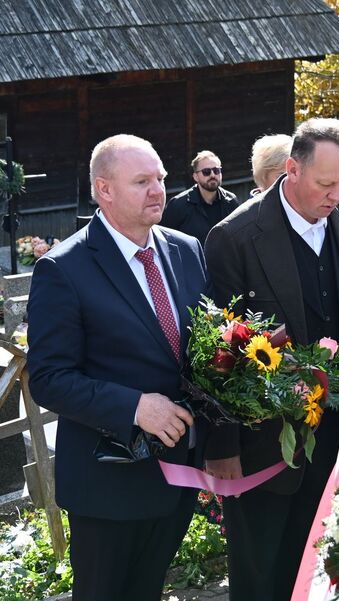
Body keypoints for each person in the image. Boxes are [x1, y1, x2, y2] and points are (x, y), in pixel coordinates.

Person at [203, 119, 339, 600]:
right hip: (266, 442)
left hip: (338, 432)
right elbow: (218, 351)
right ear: (291, 170)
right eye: (326, 184)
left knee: (323, 562)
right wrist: (223, 446)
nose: (336, 195)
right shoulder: (235, 237)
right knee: (262, 573)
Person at [27, 134, 209, 601]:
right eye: (142, 181)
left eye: (162, 179)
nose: (158, 191)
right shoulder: (63, 269)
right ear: (104, 190)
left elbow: (199, 352)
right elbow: (49, 378)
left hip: (176, 475)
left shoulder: (186, 249)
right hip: (107, 483)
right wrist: (133, 407)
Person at [160, 150, 240, 243]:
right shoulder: (178, 205)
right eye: (206, 172)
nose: (212, 175)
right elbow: (165, 239)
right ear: (195, 177)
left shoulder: (231, 201)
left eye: (216, 170)